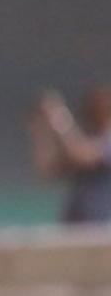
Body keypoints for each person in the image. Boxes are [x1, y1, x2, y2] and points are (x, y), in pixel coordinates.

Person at [30, 86, 111, 224]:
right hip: (78, 223)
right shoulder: (90, 140)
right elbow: (49, 170)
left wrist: (58, 116)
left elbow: (82, 155)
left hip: (103, 224)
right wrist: (42, 130)